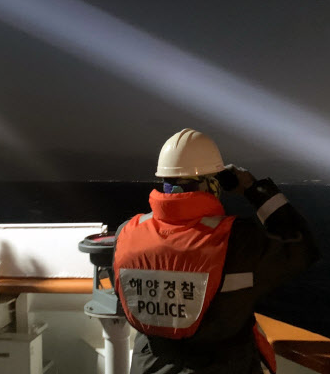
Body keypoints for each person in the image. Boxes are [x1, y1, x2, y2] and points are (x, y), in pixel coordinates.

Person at [113, 128, 319, 374]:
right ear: (213, 185)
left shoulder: (126, 233)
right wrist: (253, 189)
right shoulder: (237, 239)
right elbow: (302, 247)